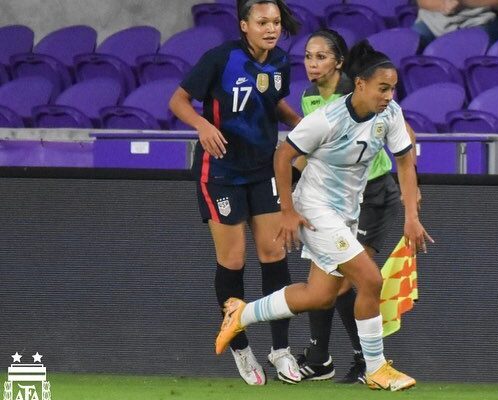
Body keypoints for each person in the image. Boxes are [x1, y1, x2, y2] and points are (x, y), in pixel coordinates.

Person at [215, 41, 433, 392]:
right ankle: (376, 368)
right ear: (360, 84)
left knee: (319, 296)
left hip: (346, 211)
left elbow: (405, 163)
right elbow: (282, 157)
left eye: (393, 88)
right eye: (383, 88)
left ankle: (241, 314)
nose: (389, 95)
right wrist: (287, 212)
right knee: (370, 280)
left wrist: (412, 216)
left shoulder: (390, 114)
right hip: (314, 208)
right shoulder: (327, 119)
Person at [168, 0, 304, 386]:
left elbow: (272, 102)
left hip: (263, 170)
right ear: (244, 25)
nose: (271, 28)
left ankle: (280, 349)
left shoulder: (279, 61)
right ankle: (241, 348)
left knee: (274, 253)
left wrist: (304, 126)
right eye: (262, 21)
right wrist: (201, 126)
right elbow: (177, 100)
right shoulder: (220, 58)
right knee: (232, 260)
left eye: (276, 21)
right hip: (222, 172)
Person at [293, 29, 418, 384]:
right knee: (327, 282)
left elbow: (405, 136)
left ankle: (365, 360)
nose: (312, 64)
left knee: (352, 280)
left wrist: (413, 198)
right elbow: (312, 151)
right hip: (334, 199)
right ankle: (324, 358)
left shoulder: (363, 90)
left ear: (339, 63)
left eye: (320, 57)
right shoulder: (309, 98)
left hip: (373, 194)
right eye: (307, 56)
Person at [412, 0, 498, 49]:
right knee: (411, 40)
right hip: (433, 21)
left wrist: (464, 2)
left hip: (481, 20)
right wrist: (444, 5)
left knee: (473, 42)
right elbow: (423, 2)